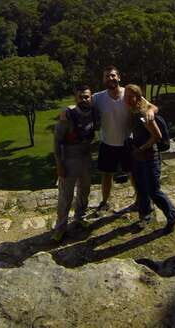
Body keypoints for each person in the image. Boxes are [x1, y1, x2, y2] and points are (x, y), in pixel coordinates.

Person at [91, 66, 155, 214]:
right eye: (107, 76)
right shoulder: (98, 98)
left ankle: (140, 200)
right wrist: (68, 110)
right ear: (103, 80)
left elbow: (151, 106)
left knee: (133, 173)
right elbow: (82, 105)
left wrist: (150, 110)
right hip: (107, 142)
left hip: (128, 142)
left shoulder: (129, 94)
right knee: (106, 175)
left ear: (119, 77)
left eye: (113, 75)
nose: (110, 78)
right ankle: (105, 202)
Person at [123, 84, 175, 233]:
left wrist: (141, 149)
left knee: (154, 191)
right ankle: (145, 215)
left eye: (130, 96)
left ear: (138, 97)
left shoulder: (142, 113)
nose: (127, 99)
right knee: (141, 188)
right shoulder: (133, 109)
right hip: (138, 157)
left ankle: (172, 215)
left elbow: (157, 136)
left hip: (149, 157)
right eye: (125, 96)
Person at [51, 84, 97, 243]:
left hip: (85, 157)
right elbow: (57, 141)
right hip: (69, 159)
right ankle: (60, 228)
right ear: (75, 98)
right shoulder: (67, 115)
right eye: (81, 96)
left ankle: (80, 217)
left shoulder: (93, 112)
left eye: (87, 96)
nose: (84, 99)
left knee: (84, 190)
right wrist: (59, 164)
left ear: (91, 97)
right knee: (66, 196)